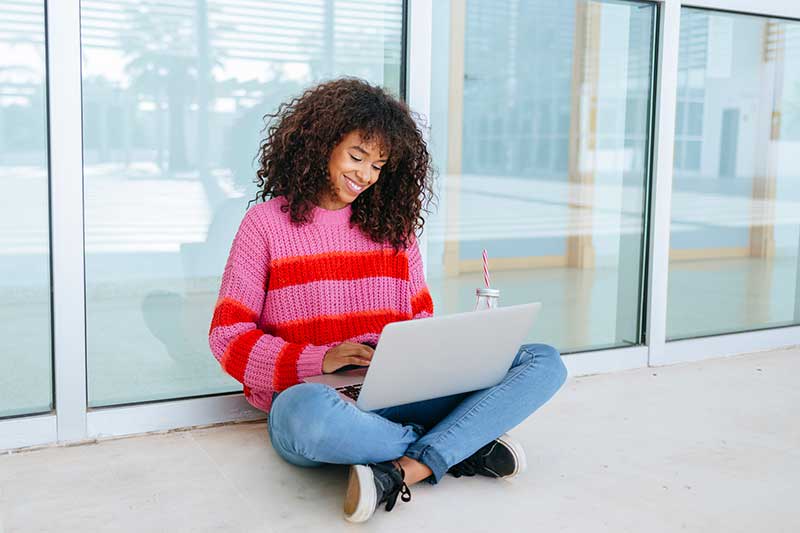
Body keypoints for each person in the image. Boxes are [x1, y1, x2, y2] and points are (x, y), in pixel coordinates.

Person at [208, 77, 568, 523]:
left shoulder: (394, 230)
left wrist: (433, 352)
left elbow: (421, 318)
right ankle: (459, 445)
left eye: (378, 165)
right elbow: (228, 337)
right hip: (319, 399)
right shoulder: (264, 226)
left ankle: (406, 468)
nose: (365, 175)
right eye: (356, 157)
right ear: (318, 145)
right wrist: (320, 360)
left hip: (399, 392)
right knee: (307, 417)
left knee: (543, 360)